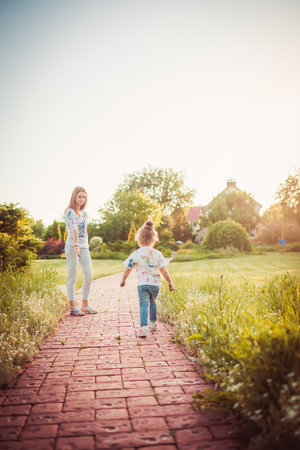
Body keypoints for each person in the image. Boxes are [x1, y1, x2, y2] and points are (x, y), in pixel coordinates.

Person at [120, 220, 174, 338]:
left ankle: (143, 328)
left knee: (144, 304)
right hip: (155, 284)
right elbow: (164, 270)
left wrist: (123, 280)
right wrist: (170, 282)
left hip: (142, 284)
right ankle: (153, 324)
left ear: (139, 239)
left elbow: (128, 268)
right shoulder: (157, 254)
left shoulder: (136, 253)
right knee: (153, 303)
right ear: (154, 240)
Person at [64, 186, 97, 316]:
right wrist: (76, 245)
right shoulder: (69, 212)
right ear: (74, 197)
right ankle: (73, 307)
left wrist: (84, 245)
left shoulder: (84, 213)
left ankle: (85, 305)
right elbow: (74, 229)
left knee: (88, 274)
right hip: (73, 246)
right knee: (73, 275)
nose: (82, 199)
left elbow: (84, 232)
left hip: (84, 247)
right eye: (79, 197)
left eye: (84, 197)